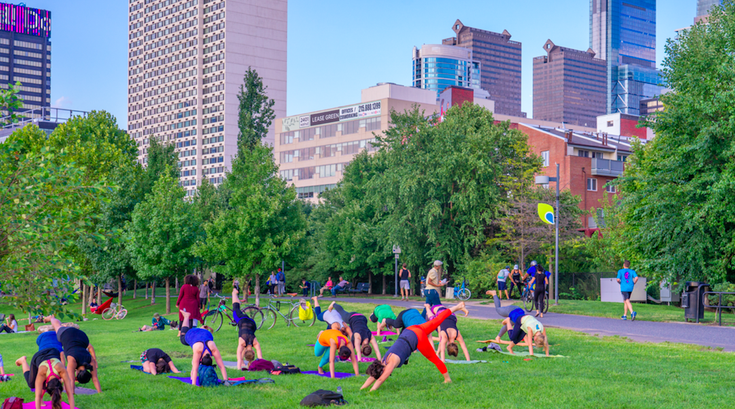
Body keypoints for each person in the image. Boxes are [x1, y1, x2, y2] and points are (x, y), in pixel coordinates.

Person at [361, 302, 467, 391]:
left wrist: (371, 391)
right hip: (410, 329)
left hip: (416, 337)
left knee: (434, 358)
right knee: (437, 320)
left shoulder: (389, 364)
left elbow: (380, 379)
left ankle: (448, 379)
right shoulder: (383, 360)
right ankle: (458, 307)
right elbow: (374, 376)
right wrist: (362, 388)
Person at [16, 333, 75, 409]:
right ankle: (23, 361)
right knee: (31, 384)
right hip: (39, 356)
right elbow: (37, 396)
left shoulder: (62, 371)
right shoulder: (42, 374)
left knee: (38, 385)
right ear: (46, 385)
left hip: (53, 351)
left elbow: (70, 393)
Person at [44, 316, 101, 393]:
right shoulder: (72, 361)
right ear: (77, 374)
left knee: (59, 326)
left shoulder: (89, 361)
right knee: (56, 326)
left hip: (81, 335)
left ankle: (54, 320)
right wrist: (72, 393)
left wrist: (100, 392)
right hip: (66, 335)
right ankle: (51, 318)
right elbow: (71, 379)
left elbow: (95, 378)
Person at [179, 310, 231, 386]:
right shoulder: (198, 350)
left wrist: (226, 380)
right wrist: (193, 384)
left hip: (205, 333)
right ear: (201, 359)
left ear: (211, 358)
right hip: (192, 334)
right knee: (183, 337)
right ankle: (186, 317)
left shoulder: (213, 349)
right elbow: (195, 368)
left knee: (201, 338)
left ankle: (200, 327)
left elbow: (222, 366)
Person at [232, 287, 262, 370]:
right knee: (235, 308)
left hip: (252, 323)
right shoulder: (242, 343)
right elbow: (238, 355)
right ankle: (234, 293)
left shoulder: (255, 343)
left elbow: (261, 359)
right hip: (242, 321)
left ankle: (243, 363)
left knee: (238, 309)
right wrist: (239, 367)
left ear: (253, 351)